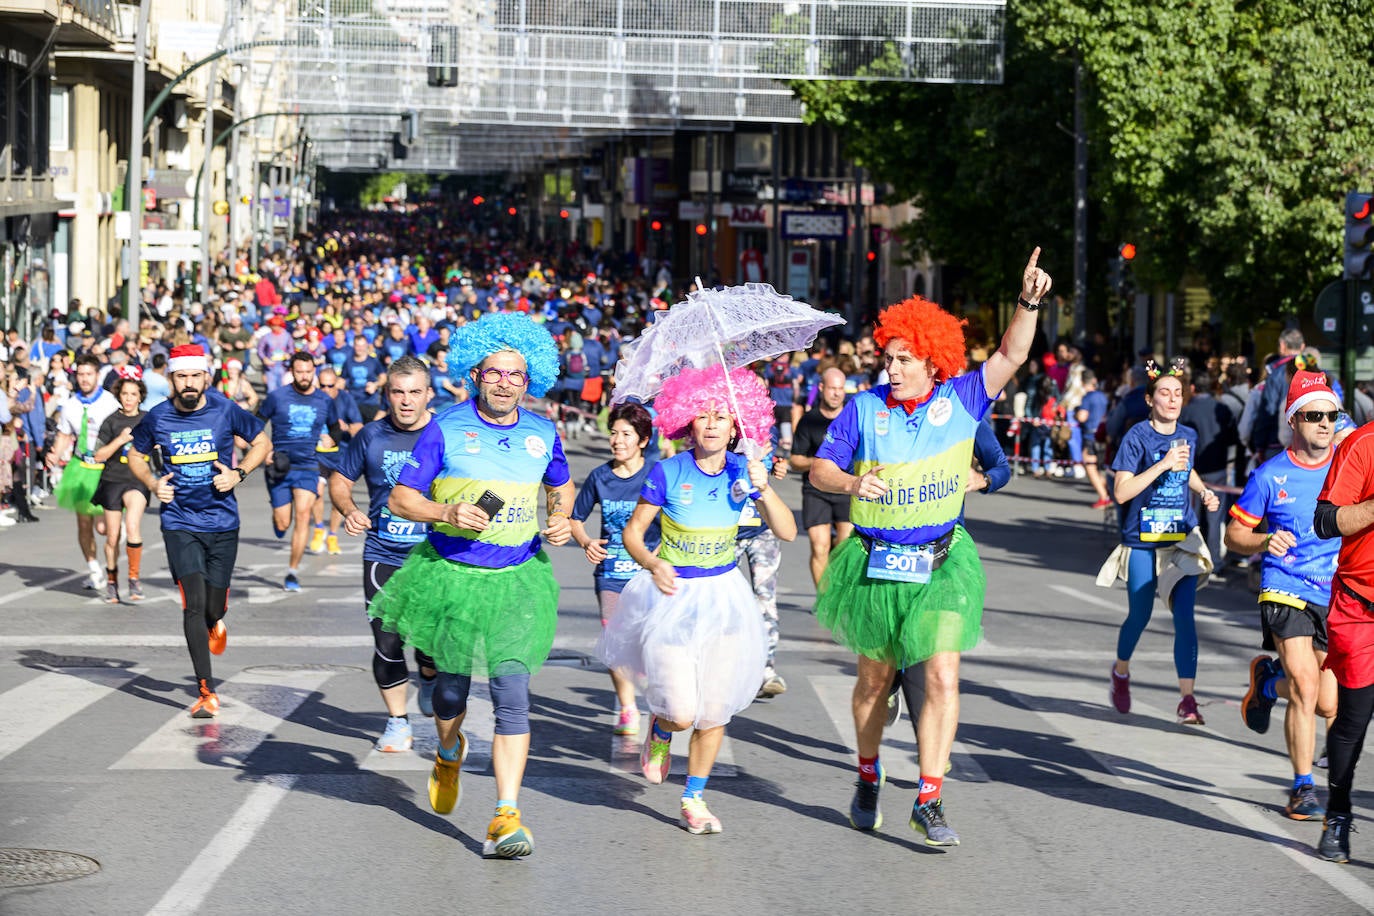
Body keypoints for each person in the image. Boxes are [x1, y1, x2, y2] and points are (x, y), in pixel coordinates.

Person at [809, 248, 1052, 846]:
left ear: (932, 361)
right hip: (873, 563)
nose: (890, 368)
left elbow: (1012, 355)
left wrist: (1027, 302)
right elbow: (818, 471)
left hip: (941, 562)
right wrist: (849, 481)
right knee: (873, 681)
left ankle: (930, 798)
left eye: (903, 359)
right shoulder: (863, 410)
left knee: (943, 677)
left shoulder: (964, 400)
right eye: (887, 357)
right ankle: (868, 777)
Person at [368, 312, 572, 860]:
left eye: (517, 375)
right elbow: (401, 499)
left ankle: (507, 815)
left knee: (512, 698)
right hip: (452, 577)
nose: (506, 383)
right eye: (495, 373)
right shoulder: (446, 427)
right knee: (450, 693)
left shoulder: (542, 432)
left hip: (516, 580)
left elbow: (562, 487)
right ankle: (449, 748)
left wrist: (558, 516)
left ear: (530, 381)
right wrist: (446, 510)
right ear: (475, 374)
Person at [598, 364, 796, 835]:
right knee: (683, 711)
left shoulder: (745, 473)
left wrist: (763, 487)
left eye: (721, 416)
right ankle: (662, 729)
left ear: (736, 426)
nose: (711, 424)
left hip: (725, 597)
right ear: (688, 421)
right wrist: (652, 563)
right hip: (672, 596)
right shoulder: (668, 471)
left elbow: (787, 531)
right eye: (703, 415)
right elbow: (632, 534)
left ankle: (694, 797)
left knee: (714, 709)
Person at [127, 344, 270, 716]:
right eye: (181, 377)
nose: (188, 383)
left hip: (223, 522)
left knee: (212, 606)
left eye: (194, 376)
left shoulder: (225, 409)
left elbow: (262, 442)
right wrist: (152, 482)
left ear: (206, 377)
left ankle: (216, 619)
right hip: (179, 522)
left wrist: (238, 474)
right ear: (171, 379)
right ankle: (206, 691)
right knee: (192, 603)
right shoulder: (157, 417)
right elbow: (135, 454)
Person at [1228, 370, 1341, 822]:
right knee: (1308, 686)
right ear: (1294, 420)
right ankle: (1301, 788)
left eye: (1332, 415)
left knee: (1329, 703)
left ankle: (1267, 683)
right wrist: (1263, 541)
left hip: (1336, 592)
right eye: (1314, 415)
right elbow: (1235, 534)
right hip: (1286, 587)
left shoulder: (1349, 466)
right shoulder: (1270, 475)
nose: (1324, 424)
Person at [1101, 359, 1221, 725]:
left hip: (1180, 538)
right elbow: (1121, 492)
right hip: (1142, 539)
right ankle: (1121, 671)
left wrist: (1203, 492)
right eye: (1164, 393)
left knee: (1185, 617)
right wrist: (1162, 464)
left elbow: (1187, 470)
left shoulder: (1188, 435)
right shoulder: (1137, 436)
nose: (1172, 400)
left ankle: (1188, 700)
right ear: (1150, 399)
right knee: (1140, 614)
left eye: (1178, 394)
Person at [330, 355, 439, 753]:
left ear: (429, 394)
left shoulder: (446, 435)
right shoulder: (371, 436)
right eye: (398, 392)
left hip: (436, 556)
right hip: (384, 552)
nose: (407, 401)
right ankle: (397, 723)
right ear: (387, 393)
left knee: (430, 642)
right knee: (387, 641)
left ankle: (428, 672)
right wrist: (351, 509)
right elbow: (340, 480)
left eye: (415, 392)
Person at [1310, 384, 1374, 862]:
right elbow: (1326, 521)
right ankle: (1337, 814)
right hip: (1360, 605)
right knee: (1353, 716)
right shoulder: (1362, 445)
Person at [569, 402, 660, 736]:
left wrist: (658, 556)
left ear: (642, 440)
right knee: (615, 639)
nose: (617, 440)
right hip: (610, 575)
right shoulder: (600, 477)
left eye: (626, 434)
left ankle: (655, 696)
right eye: (614, 433)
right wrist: (586, 542)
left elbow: (675, 520)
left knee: (647, 642)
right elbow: (575, 518)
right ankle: (627, 707)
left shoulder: (656, 474)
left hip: (648, 574)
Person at [258, 352, 339, 590]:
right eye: (299, 371)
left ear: (313, 371)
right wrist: (265, 450)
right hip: (280, 466)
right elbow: (255, 426)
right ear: (291, 372)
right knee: (283, 524)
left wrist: (330, 439)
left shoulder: (324, 401)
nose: (304, 376)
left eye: (308, 371)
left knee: (304, 515)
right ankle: (278, 519)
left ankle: (292, 572)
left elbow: (336, 429)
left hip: (308, 466)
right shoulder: (277, 397)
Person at [47, 354, 121, 590]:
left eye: (89, 374)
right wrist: (55, 455)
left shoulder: (110, 402)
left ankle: (114, 549)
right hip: (80, 468)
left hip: (105, 468)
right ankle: (94, 569)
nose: (84, 379)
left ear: (97, 375)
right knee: (83, 524)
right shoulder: (71, 404)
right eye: (80, 374)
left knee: (103, 527)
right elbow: (64, 434)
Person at [91, 373, 151, 603]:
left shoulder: (148, 420)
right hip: (112, 479)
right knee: (112, 536)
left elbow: (158, 446)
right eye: (125, 394)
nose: (128, 399)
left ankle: (134, 579)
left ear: (140, 397)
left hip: (137, 479)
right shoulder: (111, 421)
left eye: (133, 394)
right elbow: (98, 455)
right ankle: (112, 581)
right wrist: (120, 440)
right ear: (119, 395)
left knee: (133, 526)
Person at [791, 367, 852, 587]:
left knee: (844, 545)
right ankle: (823, 600)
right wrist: (820, 464)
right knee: (819, 546)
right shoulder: (809, 420)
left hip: (846, 487)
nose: (836, 393)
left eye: (840, 389)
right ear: (821, 388)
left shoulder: (852, 417)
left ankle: (837, 585)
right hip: (816, 489)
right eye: (832, 388)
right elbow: (795, 460)